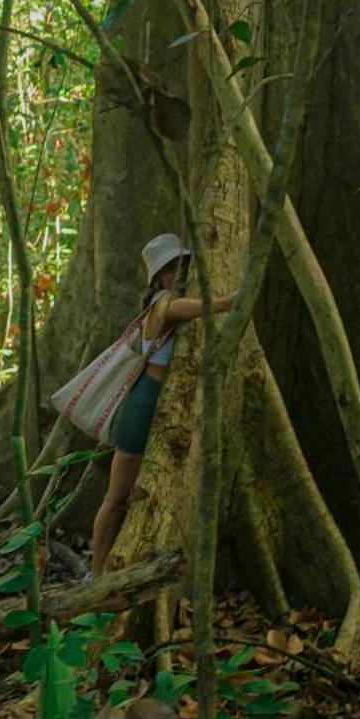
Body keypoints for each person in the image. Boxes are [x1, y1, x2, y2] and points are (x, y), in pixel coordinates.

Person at [86, 233, 234, 579]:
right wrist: (225, 302)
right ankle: (94, 574)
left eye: (183, 264)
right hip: (143, 405)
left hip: (165, 407)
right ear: (157, 278)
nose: (179, 272)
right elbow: (174, 308)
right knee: (117, 496)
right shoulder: (160, 302)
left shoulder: (179, 295)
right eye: (170, 268)